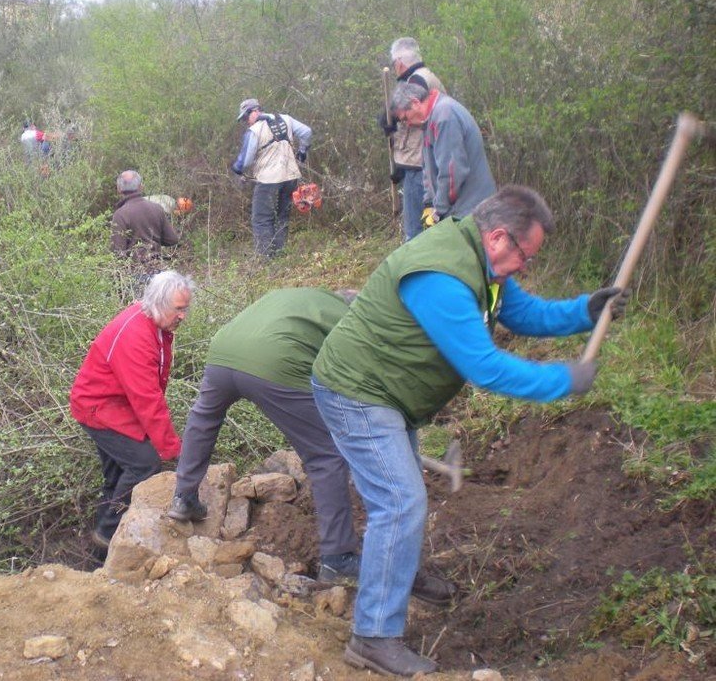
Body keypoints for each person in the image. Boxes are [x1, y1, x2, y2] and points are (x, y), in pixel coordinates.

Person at [310, 186, 629, 676]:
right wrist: (562, 380)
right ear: (499, 237)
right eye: (526, 254)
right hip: (358, 392)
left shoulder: (480, 260)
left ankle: (395, 576)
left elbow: (521, 314)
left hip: (391, 393)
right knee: (400, 501)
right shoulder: (441, 275)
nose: (525, 264)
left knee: (402, 498)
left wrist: (584, 311)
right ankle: (373, 636)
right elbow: (483, 367)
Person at [166, 287, 361, 583]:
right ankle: (338, 557)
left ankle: (184, 496)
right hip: (273, 360)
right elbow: (347, 377)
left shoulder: (300, 297)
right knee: (327, 456)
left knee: (204, 419)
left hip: (223, 350)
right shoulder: (348, 317)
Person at [70, 271, 195, 548]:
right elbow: (147, 399)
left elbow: (148, 392)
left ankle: (102, 541)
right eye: (179, 309)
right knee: (144, 463)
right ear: (159, 303)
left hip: (114, 404)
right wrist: (172, 448)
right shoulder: (136, 335)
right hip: (98, 408)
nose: (183, 315)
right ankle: (107, 534)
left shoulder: (154, 324)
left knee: (116, 474)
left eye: (186, 308)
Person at [390, 81, 496, 225]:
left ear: (415, 102)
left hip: (473, 211)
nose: (407, 124)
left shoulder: (445, 116)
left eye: (405, 118)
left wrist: (439, 211)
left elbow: (452, 172)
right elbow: (428, 167)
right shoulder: (428, 122)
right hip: (460, 210)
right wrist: (428, 203)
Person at [381, 37, 446, 241]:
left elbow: (409, 122)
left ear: (399, 62)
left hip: (419, 166)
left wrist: (388, 119)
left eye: (394, 65)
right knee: (424, 229)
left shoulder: (417, 81)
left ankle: (413, 269)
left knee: (414, 232)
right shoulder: (426, 76)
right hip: (422, 162)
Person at [231, 99, 312, 257]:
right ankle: (280, 254)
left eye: (246, 118)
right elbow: (307, 132)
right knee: (282, 216)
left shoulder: (254, 130)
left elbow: (245, 160)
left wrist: (237, 170)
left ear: (255, 111)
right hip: (291, 177)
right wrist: (302, 153)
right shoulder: (286, 119)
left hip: (268, 180)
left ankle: (266, 258)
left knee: (261, 219)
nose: (246, 122)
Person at [110, 170, 180, 279]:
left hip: (135, 275)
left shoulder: (120, 215)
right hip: (159, 273)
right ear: (141, 187)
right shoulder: (157, 208)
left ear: (119, 190)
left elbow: (118, 253)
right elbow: (172, 240)